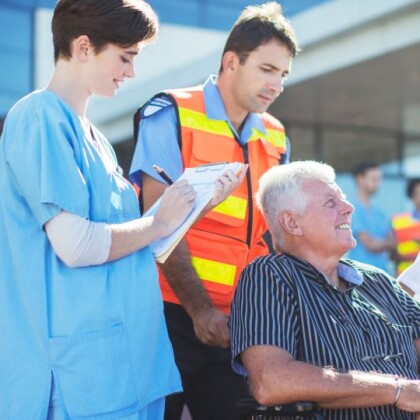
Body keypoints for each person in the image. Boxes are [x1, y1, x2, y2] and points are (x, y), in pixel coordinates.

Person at [0, 1, 242, 419]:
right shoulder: (38, 117)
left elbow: (132, 246)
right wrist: (158, 220)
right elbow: (76, 245)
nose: (131, 72)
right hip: (76, 377)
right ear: (82, 46)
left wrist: (188, 207)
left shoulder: (97, 139)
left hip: (121, 368)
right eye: (125, 57)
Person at [129, 2, 299, 418]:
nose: (275, 84)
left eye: (283, 74)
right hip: (167, 316)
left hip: (238, 327)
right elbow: (159, 223)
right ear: (230, 62)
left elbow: (275, 238)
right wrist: (199, 309)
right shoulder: (171, 113)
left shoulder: (276, 139)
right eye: (265, 69)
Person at [230, 161, 420, 419]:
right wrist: (397, 390)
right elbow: (270, 381)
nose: (349, 208)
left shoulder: (379, 282)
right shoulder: (270, 275)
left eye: (343, 199)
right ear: (292, 223)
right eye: (331, 203)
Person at [348, 161, 396, 273]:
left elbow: (394, 243)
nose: (378, 184)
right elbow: (370, 245)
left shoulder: (380, 213)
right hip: (361, 277)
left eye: (379, 180)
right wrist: (387, 243)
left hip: (383, 276)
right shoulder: (351, 210)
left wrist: (384, 243)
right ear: (360, 179)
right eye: (374, 179)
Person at [393, 178, 420, 278]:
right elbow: (392, 253)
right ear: (411, 196)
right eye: (418, 194)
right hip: (405, 280)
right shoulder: (398, 221)